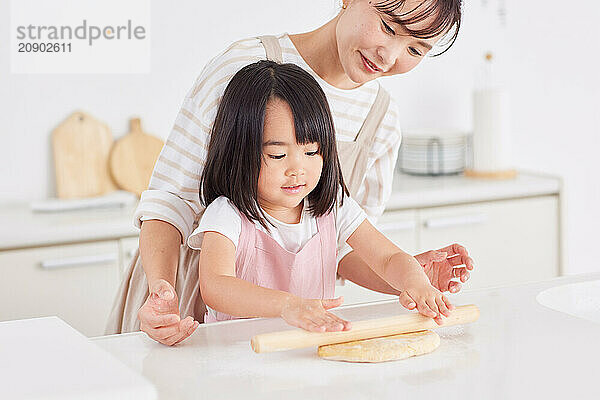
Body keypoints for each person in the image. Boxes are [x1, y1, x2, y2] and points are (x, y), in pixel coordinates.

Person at [106, 0, 474, 345]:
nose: (389, 56)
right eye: (389, 27)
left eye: (415, 49)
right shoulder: (246, 67)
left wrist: (409, 277)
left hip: (293, 328)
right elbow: (171, 201)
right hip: (181, 296)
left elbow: (340, 248)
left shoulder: (382, 119)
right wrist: (162, 290)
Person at [191, 59, 454, 331]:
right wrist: (287, 305)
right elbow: (216, 285)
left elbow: (388, 258)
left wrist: (417, 283)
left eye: (311, 152)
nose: (297, 169)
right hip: (239, 358)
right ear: (239, 152)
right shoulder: (227, 214)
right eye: (278, 155)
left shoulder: (333, 206)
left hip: (310, 354)